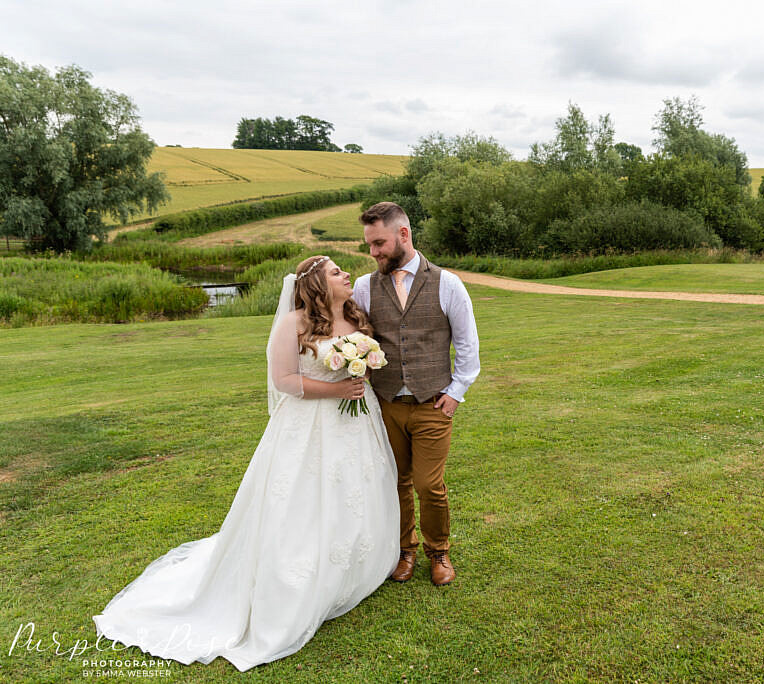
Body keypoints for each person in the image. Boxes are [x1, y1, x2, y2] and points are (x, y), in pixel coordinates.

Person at [93, 256, 400, 672]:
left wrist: (358, 374)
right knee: (305, 499)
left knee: (354, 488)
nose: (346, 275)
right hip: (309, 426)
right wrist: (336, 389)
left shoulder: (354, 314)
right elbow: (285, 381)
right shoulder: (294, 323)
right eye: (335, 272)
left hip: (356, 422)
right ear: (315, 285)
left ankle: (354, 566)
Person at [354, 201, 480, 586]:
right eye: (370, 246)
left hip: (432, 404)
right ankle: (404, 550)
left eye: (378, 243)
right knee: (396, 482)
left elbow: (467, 344)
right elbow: (355, 339)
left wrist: (456, 392)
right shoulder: (364, 286)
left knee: (429, 484)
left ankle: (438, 551)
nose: (373, 253)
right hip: (387, 404)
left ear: (403, 234)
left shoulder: (448, 283)